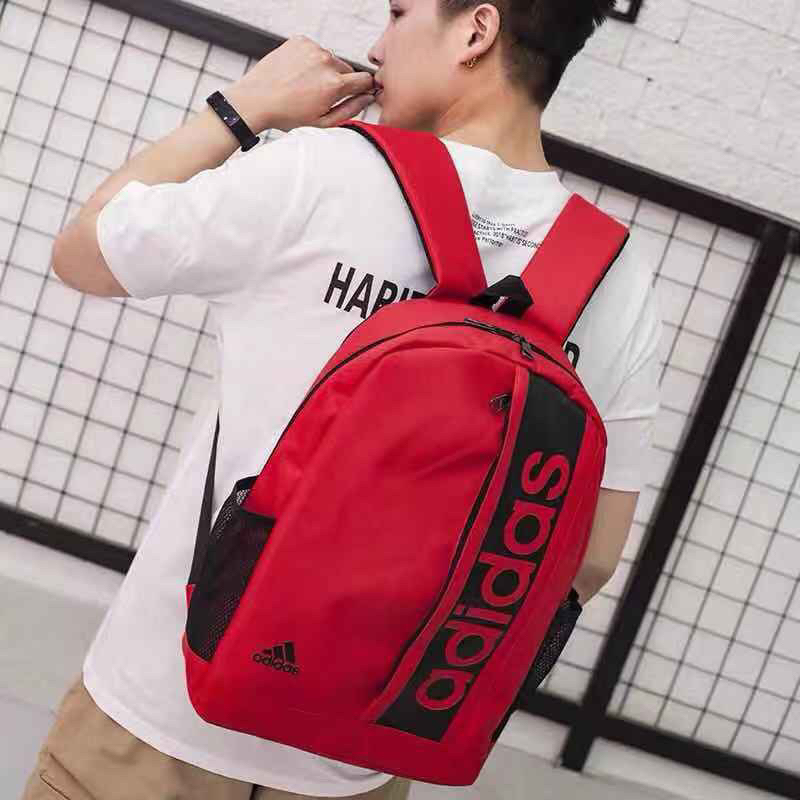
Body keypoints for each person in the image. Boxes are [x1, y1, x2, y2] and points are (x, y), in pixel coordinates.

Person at [28, 1, 661, 798]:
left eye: (399, 13)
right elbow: (592, 556)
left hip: (163, 720)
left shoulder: (321, 171)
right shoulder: (615, 276)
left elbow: (82, 254)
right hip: (358, 757)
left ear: (477, 31)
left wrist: (244, 108)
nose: (378, 44)